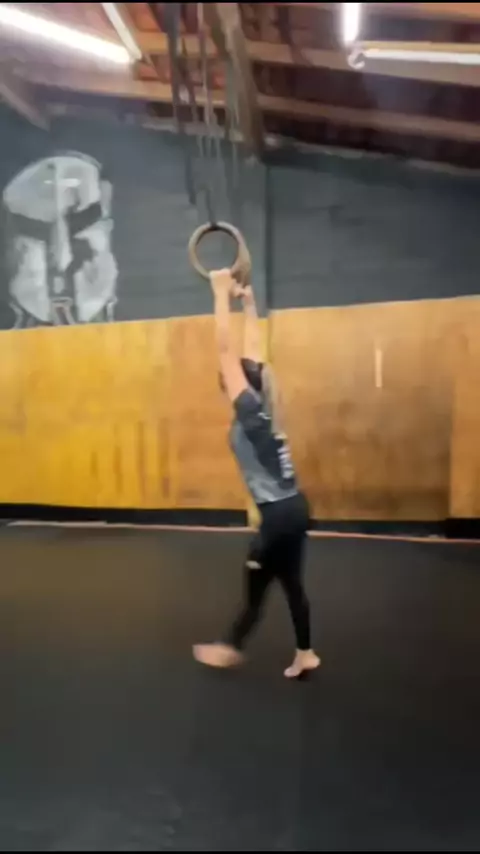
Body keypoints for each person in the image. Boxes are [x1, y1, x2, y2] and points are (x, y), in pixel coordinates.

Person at [193, 268, 320, 678]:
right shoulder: (263, 398)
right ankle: (305, 653)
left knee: (256, 585)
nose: (226, 376)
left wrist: (219, 294)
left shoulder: (249, 411)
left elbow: (225, 349)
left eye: (230, 376)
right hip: (295, 507)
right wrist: (248, 304)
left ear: (237, 385)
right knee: (291, 583)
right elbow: (251, 354)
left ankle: (230, 646)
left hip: (278, 515)